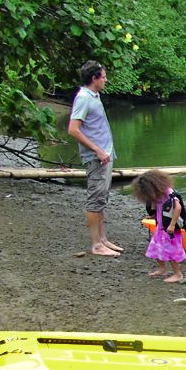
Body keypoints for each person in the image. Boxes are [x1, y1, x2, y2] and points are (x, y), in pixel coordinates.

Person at [68, 61, 123, 257]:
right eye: (103, 76)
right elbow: (73, 129)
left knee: (102, 198)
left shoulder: (94, 96)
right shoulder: (83, 98)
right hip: (96, 157)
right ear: (94, 79)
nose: (106, 79)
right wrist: (98, 150)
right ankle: (96, 245)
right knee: (95, 200)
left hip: (105, 156)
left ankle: (103, 239)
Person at [133, 170, 186, 283]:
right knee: (156, 247)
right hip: (161, 228)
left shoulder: (169, 193)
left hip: (169, 228)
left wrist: (172, 225)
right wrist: (153, 216)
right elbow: (157, 207)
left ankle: (178, 274)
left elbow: (177, 208)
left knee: (170, 250)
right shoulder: (157, 194)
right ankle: (162, 269)